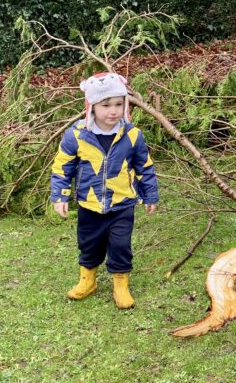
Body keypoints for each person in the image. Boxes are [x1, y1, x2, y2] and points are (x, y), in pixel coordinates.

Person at [51, 72, 159, 309]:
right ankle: (87, 281)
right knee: (89, 244)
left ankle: (121, 284)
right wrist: (60, 195)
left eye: (119, 104)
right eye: (106, 105)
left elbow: (145, 167)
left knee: (120, 245)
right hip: (89, 205)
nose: (113, 111)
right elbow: (62, 167)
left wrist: (150, 193)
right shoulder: (77, 135)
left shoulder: (132, 135)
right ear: (92, 106)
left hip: (122, 204)